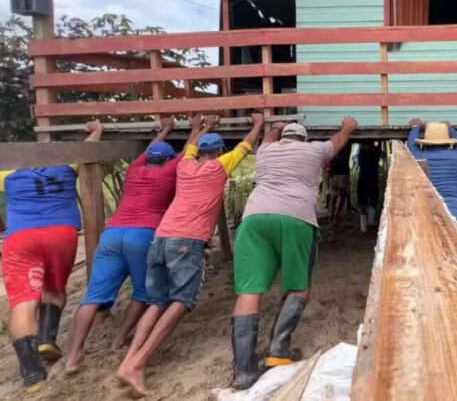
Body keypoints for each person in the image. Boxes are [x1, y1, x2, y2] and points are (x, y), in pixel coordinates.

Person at [116, 113, 264, 397]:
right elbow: (246, 145)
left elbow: (190, 147)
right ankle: (138, 363)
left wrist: (201, 128)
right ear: (219, 151)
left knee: (156, 302)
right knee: (181, 301)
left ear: (199, 152)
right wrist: (257, 124)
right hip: (188, 241)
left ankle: (129, 361)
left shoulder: (184, 166)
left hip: (161, 237)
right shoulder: (220, 167)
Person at [64, 116, 204, 375]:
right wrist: (197, 129)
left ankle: (74, 356)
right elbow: (188, 151)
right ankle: (120, 340)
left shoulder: (135, 169)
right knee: (144, 293)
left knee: (93, 296)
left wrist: (164, 130)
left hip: (112, 233)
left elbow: (152, 147)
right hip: (143, 235)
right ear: (166, 160)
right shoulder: (168, 171)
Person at [230, 118, 357, 389]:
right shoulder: (314, 150)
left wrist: (274, 125)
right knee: (299, 286)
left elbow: (268, 136)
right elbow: (338, 142)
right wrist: (348, 126)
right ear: (304, 138)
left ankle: (243, 370)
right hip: (296, 218)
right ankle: (278, 351)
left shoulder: (265, 150)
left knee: (249, 291)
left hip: (255, 219)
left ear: (282, 137)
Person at [0, 121, 102, 392]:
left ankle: (32, 372)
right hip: (62, 234)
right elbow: (88, 151)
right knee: (55, 290)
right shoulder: (66, 167)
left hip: (21, 238)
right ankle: (47, 338)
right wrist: (95, 132)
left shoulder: (7, 172)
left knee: (24, 302)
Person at [407, 119, 457, 233]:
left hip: (429, 217)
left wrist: (415, 127)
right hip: (456, 215)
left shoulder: (418, 156)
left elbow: (411, 144)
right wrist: (449, 128)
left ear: (425, 143)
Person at [356, 141, 382, 232]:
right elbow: (379, 147)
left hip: (363, 180)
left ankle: (365, 226)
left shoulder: (361, 155)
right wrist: (379, 142)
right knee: (371, 201)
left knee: (365, 202)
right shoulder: (374, 155)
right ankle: (369, 222)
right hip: (371, 180)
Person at [328, 144, 352, 224]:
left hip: (340, 174)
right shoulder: (333, 148)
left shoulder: (343, 147)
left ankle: (335, 215)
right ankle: (333, 215)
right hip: (337, 174)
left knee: (340, 196)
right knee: (335, 196)